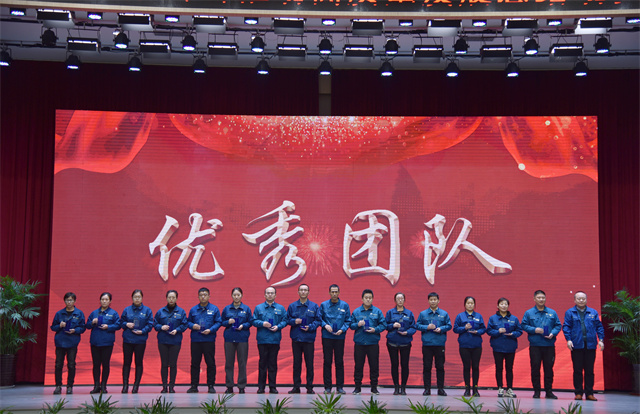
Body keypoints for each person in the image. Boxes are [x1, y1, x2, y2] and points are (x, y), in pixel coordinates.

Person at [562, 291, 605, 401]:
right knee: (577, 370)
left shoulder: (593, 312)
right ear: (574, 300)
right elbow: (566, 327)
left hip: (590, 345)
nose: (581, 300)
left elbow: (599, 327)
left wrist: (601, 340)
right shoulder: (570, 312)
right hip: (576, 345)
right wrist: (568, 340)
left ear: (586, 300)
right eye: (579, 299)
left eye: (583, 299)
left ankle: (589, 393)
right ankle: (578, 393)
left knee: (589, 371)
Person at [521, 289, 562, 399]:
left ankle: (549, 391)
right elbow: (523, 325)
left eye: (543, 297)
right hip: (535, 345)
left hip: (549, 345)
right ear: (534, 299)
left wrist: (553, 333)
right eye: (539, 298)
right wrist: (534, 330)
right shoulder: (529, 313)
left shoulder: (552, 312)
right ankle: (536, 391)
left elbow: (558, 325)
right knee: (535, 368)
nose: (541, 299)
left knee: (549, 369)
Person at [349, 288, 386, 395]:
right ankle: (357, 388)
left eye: (370, 298)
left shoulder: (377, 311)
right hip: (359, 343)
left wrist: (375, 329)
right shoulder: (356, 312)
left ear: (372, 299)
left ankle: (374, 388)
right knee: (358, 366)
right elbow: (350, 325)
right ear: (362, 299)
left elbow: (383, 325)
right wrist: (357, 324)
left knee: (374, 366)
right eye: (366, 298)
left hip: (373, 343)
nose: (368, 299)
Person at [287, 283, 321, 394]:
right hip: (296, 339)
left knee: (309, 364)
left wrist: (310, 327)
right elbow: (287, 320)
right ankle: (296, 387)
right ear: (298, 292)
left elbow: (318, 321)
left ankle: (309, 387)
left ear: (308, 292)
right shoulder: (292, 306)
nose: (303, 292)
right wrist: (294, 321)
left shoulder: (314, 306)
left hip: (308, 339)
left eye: (305, 290)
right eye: (301, 290)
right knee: (296, 364)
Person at [252, 286, 287, 394]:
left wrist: (278, 327)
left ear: (275, 295)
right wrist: (262, 323)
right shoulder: (258, 308)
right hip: (262, 340)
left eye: (272, 293)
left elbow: (285, 320)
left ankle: (272, 387)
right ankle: (261, 387)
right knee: (262, 364)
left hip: (274, 340)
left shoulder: (281, 308)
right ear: (264, 295)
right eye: (268, 293)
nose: (270, 295)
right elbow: (253, 321)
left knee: (273, 364)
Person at [187, 287, 222, 393]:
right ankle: (194, 386)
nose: (203, 297)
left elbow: (218, 322)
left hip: (209, 340)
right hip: (196, 340)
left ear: (209, 296)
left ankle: (211, 385)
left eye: (205, 295)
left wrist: (210, 330)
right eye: (201, 295)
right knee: (195, 363)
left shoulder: (214, 309)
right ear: (198, 297)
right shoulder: (193, 309)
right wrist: (193, 326)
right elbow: (187, 322)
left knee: (210, 363)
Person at [415, 292, 451, 396]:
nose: (433, 301)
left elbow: (449, 325)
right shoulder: (423, 314)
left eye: (435, 299)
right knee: (427, 367)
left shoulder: (444, 314)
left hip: (439, 344)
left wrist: (441, 329)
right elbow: (417, 325)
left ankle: (440, 389)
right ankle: (427, 389)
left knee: (440, 367)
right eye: (431, 299)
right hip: (427, 344)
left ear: (438, 301)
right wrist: (426, 327)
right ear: (428, 301)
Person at [50, 292, 86, 395]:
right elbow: (53, 327)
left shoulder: (79, 313)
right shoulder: (59, 313)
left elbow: (83, 327)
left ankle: (70, 386)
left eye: (71, 300)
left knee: (71, 365)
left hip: (72, 343)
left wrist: (75, 330)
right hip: (60, 343)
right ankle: (58, 386)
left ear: (74, 301)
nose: (69, 302)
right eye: (67, 300)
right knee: (58, 365)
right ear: (64, 301)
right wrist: (59, 326)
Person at [487, 297, 523, 398]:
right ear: (498, 306)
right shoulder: (492, 318)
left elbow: (519, 331)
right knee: (499, 368)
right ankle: (500, 388)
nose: (504, 306)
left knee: (509, 368)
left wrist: (513, 334)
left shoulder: (514, 318)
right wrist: (498, 331)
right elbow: (488, 331)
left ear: (508, 306)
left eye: (506, 304)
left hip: (510, 346)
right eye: (502, 304)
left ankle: (509, 389)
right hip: (497, 347)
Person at [86, 292, 121, 394]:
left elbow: (118, 325)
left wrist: (108, 327)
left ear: (110, 301)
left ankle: (104, 386)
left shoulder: (113, 313)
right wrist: (92, 322)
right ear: (100, 300)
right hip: (95, 342)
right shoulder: (94, 313)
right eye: (102, 299)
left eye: (106, 299)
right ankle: (96, 385)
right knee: (96, 365)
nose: (104, 301)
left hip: (107, 343)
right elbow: (87, 325)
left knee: (105, 364)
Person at [120, 289, 154, 394]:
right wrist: (126, 324)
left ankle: (136, 386)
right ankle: (125, 386)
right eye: (135, 297)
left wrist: (142, 331)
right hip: (128, 340)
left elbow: (150, 324)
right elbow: (121, 323)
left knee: (138, 363)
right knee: (126, 363)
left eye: (139, 297)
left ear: (142, 298)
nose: (137, 299)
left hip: (140, 341)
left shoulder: (147, 310)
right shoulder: (127, 310)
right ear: (132, 298)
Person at [154, 289, 188, 393]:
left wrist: (177, 330)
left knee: (173, 364)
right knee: (164, 364)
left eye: (173, 297)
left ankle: (171, 386)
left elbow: (184, 325)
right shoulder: (160, 311)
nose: (171, 299)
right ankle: (164, 386)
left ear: (176, 298)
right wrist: (161, 327)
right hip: (163, 341)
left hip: (175, 341)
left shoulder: (181, 312)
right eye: (169, 297)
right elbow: (154, 324)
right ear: (166, 298)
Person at [319, 284, 350, 394]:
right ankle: (327, 387)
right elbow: (319, 318)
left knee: (339, 362)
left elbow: (348, 320)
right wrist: (325, 325)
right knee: (327, 361)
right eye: (332, 292)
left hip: (339, 337)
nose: (334, 294)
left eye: (336, 292)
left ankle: (339, 387)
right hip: (327, 337)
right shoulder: (323, 305)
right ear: (329, 293)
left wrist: (342, 329)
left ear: (339, 293)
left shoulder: (345, 305)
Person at [221, 287, 252, 394]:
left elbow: (250, 322)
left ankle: (241, 386)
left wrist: (243, 325)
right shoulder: (227, 309)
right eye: (234, 295)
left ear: (242, 296)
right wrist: (228, 322)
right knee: (229, 363)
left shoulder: (246, 309)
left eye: (238, 295)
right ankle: (229, 386)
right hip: (229, 338)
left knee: (242, 363)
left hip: (242, 338)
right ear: (231, 296)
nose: (236, 297)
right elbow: (221, 322)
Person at [453, 296, 486, 397]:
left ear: (474, 305)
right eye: (468, 303)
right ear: (465, 304)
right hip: (464, 345)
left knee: (475, 367)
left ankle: (475, 389)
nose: (470, 305)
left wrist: (477, 332)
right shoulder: (460, 316)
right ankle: (467, 389)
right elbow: (455, 329)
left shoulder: (479, 316)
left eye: (472, 303)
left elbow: (483, 329)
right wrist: (464, 327)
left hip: (476, 345)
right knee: (466, 367)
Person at [385, 292, 416, 395]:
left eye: (402, 298)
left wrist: (407, 332)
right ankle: (396, 387)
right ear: (395, 300)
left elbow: (413, 327)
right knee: (394, 365)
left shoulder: (409, 313)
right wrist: (393, 325)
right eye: (398, 298)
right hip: (392, 343)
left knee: (404, 365)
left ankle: (403, 387)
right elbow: (385, 326)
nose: (400, 300)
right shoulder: (390, 313)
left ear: (404, 300)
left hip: (405, 343)